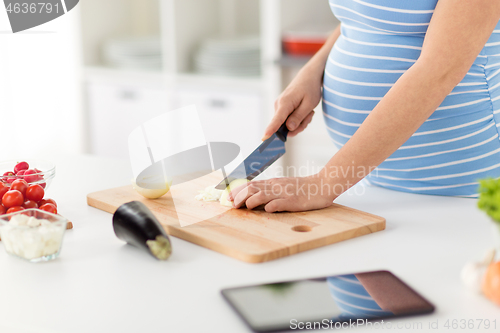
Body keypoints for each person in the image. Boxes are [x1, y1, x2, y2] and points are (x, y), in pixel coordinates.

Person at [229, 0, 500, 212]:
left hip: (459, 191)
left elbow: (439, 71)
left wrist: (323, 184)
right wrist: (313, 69)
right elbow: (360, 19)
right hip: (370, 180)